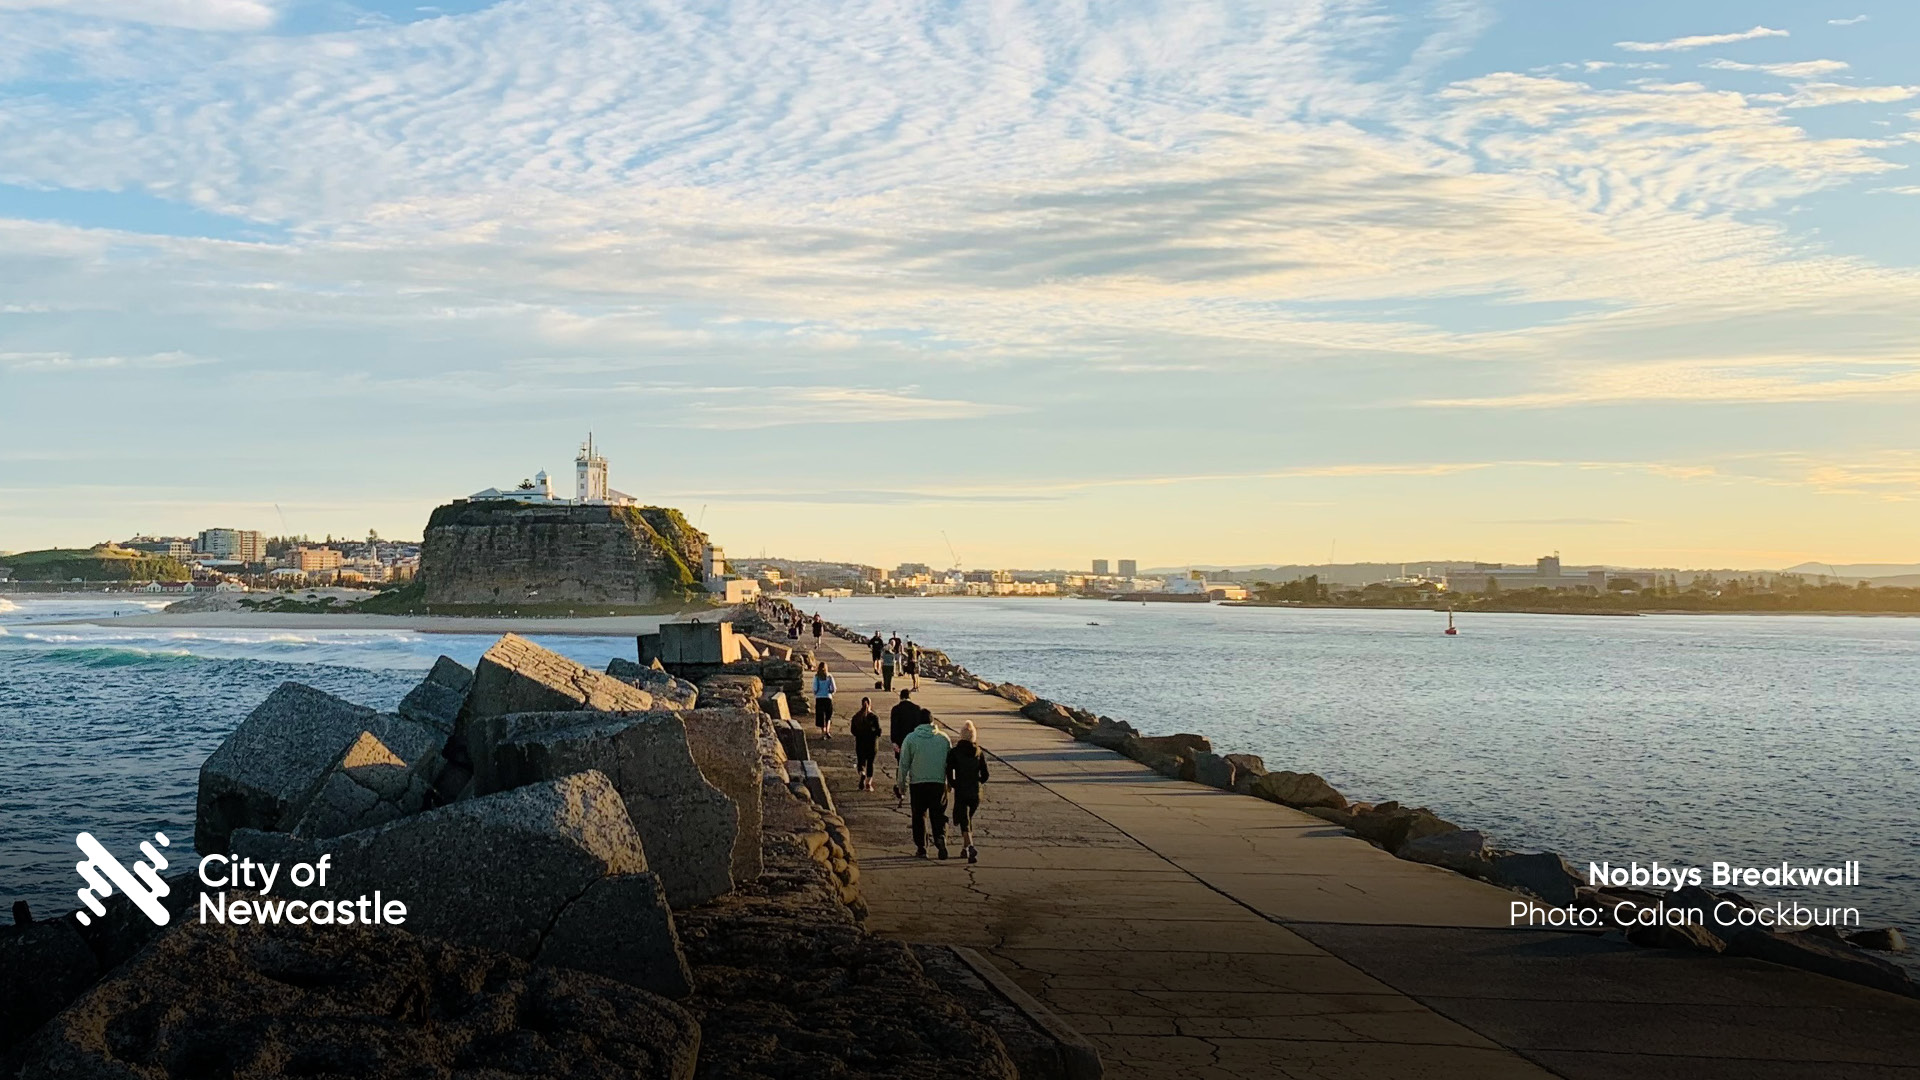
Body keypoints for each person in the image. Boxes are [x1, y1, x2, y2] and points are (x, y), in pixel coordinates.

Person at [896, 710, 953, 859]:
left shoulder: (911, 739)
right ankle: (940, 837)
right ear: (932, 722)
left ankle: (922, 848)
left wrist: (901, 786)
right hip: (938, 783)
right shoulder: (944, 739)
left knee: (919, 816)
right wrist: (950, 782)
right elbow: (950, 763)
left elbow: (903, 765)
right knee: (938, 814)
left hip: (918, 783)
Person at [945, 719, 990, 864]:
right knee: (967, 819)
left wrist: (953, 784)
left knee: (964, 821)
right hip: (976, 792)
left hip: (962, 790)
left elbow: (948, 770)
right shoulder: (979, 752)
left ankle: (970, 846)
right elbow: (985, 775)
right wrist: (977, 782)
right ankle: (965, 849)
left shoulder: (955, 752)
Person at [888, 689, 924, 798]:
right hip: (914, 743)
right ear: (909, 697)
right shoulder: (917, 709)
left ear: (900, 697)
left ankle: (901, 787)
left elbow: (893, 727)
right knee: (914, 766)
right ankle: (914, 788)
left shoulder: (896, 709)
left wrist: (894, 742)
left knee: (901, 765)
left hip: (901, 742)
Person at [849, 697, 881, 791]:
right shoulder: (874, 717)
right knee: (870, 763)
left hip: (860, 743)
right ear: (870, 704)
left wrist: (859, 734)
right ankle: (868, 783)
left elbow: (853, 731)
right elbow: (878, 731)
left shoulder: (856, 717)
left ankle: (862, 773)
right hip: (872, 743)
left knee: (861, 762)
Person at [813, 661, 836, 738]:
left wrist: (816, 693)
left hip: (819, 698)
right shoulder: (829, 676)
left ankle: (823, 732)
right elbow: (833, 688)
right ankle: (827, 731)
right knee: (828, 715)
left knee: (820, 716)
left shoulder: (816, 677)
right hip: (828, 697)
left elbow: (815, 688)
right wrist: (830, 692)